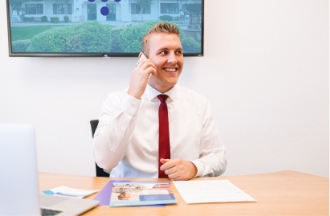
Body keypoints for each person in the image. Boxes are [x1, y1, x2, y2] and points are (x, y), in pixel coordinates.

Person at [92, 22, 226, 180]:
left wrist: (194, 167)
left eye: (178, 52)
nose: (173, 60)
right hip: (131, 196)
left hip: (183, 195)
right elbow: (105, 161)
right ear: (143, 59)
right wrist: (133, 96)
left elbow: (218, 158)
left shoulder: (199, 103)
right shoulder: (116, 100)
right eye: (164, 52)